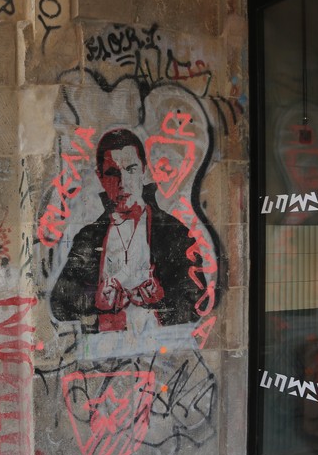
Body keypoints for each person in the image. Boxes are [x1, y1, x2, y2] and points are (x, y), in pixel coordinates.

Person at [50, 128, 206, 333]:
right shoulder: (88, 238)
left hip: (161, 348)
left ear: (143, 171)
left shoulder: (173, 232)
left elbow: (197, 302)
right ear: (100, 177)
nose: (122, 183)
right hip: (102, 349)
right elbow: (60, 304)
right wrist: (95, 298)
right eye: (112, 173)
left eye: (130, 169)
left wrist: (162, 299)